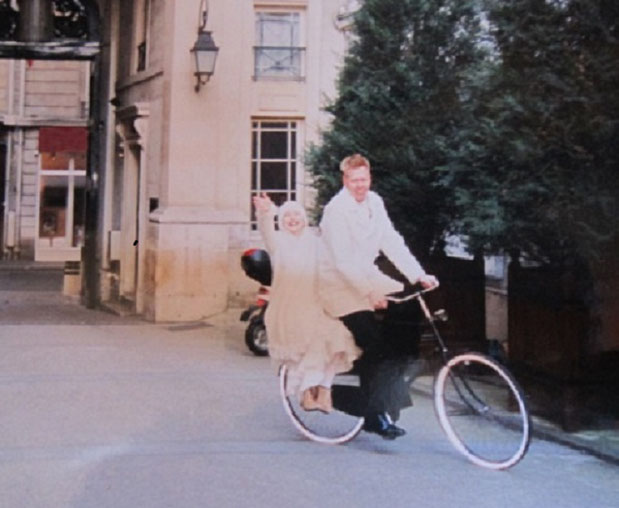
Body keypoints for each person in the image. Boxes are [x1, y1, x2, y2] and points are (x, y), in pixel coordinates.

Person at [318, 153, 438, 439]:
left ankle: (390, 380)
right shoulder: (336, 210)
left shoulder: (375, 202)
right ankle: (371, 412)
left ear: (370, 177)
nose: (360, 186)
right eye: (354, 180)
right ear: (345, 180)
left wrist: (417, 275)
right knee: (374, 342)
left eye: (364, 179)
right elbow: (343, 262)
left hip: (366, 273)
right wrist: (369, 293)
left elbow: (391, 241)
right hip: (338, 283)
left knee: (408, 307)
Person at [253, 194, 360, 413]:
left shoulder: (316, 242)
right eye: (287, 215)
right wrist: (265, 213)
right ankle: (306, 393)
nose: (292, 219)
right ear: (281, 220)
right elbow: (266, 229)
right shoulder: (278, 243)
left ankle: (324, 389)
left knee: (340, 338)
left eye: (297, 214)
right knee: (306, 346)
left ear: (304, 218)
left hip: (315, 305)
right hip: (288, 310)